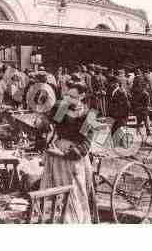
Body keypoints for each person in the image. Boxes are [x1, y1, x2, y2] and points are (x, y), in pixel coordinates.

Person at [40, 80, 94, 223]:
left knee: (74, 193)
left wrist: (65, 154)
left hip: (72, 158)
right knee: (52, 189)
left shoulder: (89, 114)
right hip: (55, 157)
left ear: (82, 96)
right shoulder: (63, 108)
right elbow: (50, 123)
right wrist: (47, 127)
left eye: (73, 97)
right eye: (67, 95)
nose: (68, 99)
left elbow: (85, 144)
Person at [108, 76, 131, 143]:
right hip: (115, 112)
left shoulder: (121, 91)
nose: (112, 85)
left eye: (114, 83)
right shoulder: (113, 90)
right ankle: (115, 141)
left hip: (120, 112)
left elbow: (126, 102)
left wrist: (125, 113)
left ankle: (121, 141)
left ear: (117, 83)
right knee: (115, 126)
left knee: (120, 126)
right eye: (112, 83)